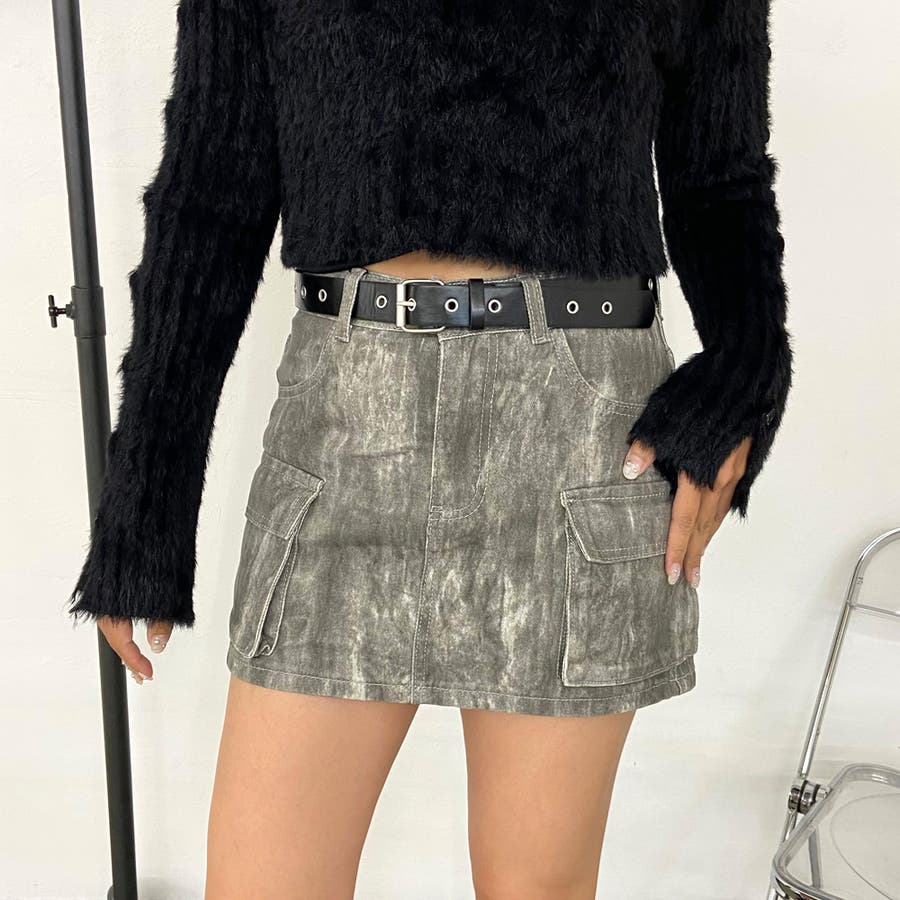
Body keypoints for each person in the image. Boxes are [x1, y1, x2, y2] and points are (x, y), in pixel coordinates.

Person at [66, 1, 794, 896]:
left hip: (577, 434)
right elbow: (210, 191)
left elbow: (721, 175)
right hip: (344, 420)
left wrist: (745, 376)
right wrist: (146, 500)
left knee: (536, 889)